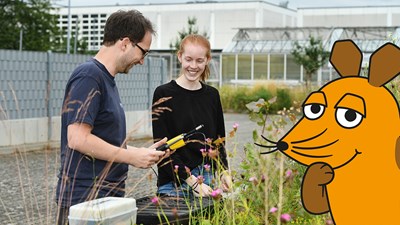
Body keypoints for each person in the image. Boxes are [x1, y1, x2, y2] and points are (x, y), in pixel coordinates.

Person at [55, 10, 167, 225]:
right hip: (86, 200)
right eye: (143, 52)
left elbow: (105, 143)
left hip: (104, 199)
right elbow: (77, 139)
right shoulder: (89, 76)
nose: (142, 61)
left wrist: (141, 153)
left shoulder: (105, 79)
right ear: (125, 43)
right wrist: (132, 158)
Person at [152, 34, 232, 197]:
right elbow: (163, 148)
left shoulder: (212, 95)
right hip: (173, 184)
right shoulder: (163, 93)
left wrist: (224, 173)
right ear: (180, 56)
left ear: (207, 60)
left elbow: (218, 141)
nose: (193, 66)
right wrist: (193, 182)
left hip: (206, 179)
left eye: (199, 60)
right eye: (189, 59)